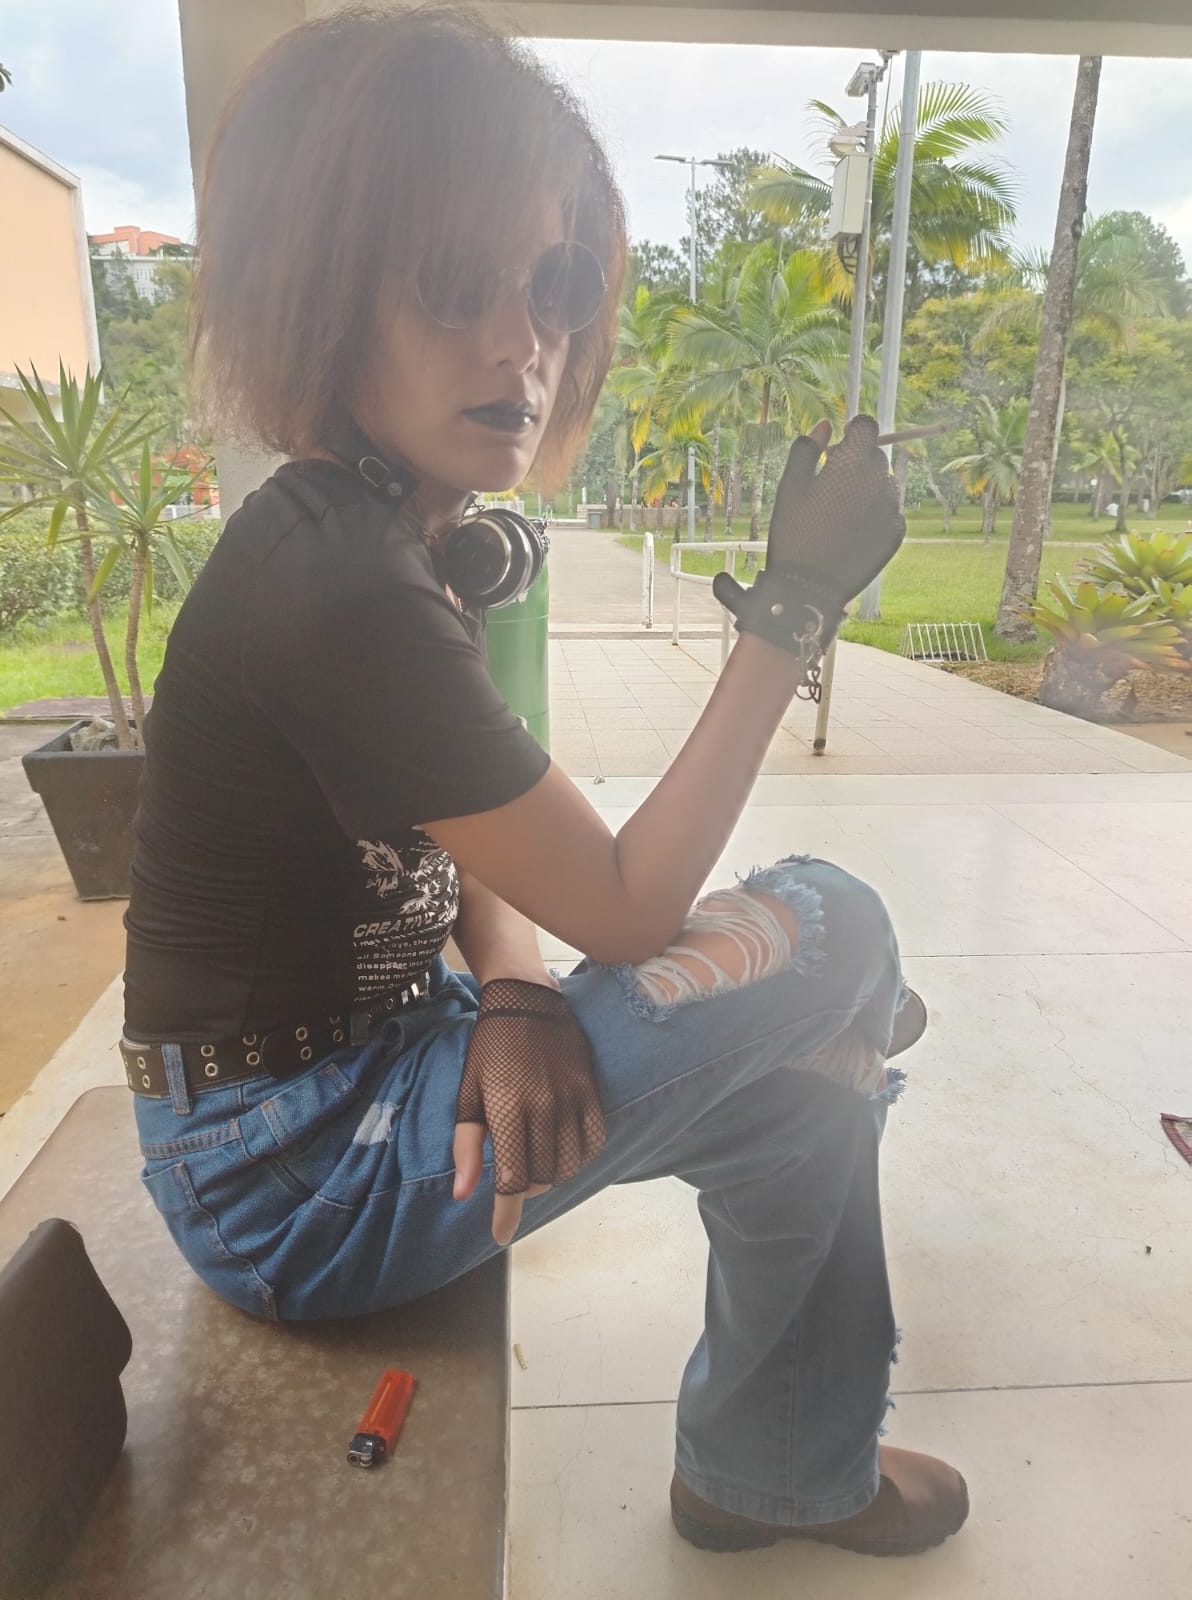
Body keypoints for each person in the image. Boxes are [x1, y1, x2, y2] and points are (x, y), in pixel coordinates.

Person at [122, 5, 968, 1561]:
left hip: (378, 1067)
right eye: (457, 282)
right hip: (284, 1173)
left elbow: (484, 840)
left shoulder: (393, 534)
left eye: (556, 286)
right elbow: (632, 908)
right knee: (833, 924)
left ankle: (770, 1472)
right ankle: (850, 1020)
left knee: (803, 1103)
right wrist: (793, 607)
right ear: (321, 285)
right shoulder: (338, 585)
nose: (524, 342)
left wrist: (513, 990)